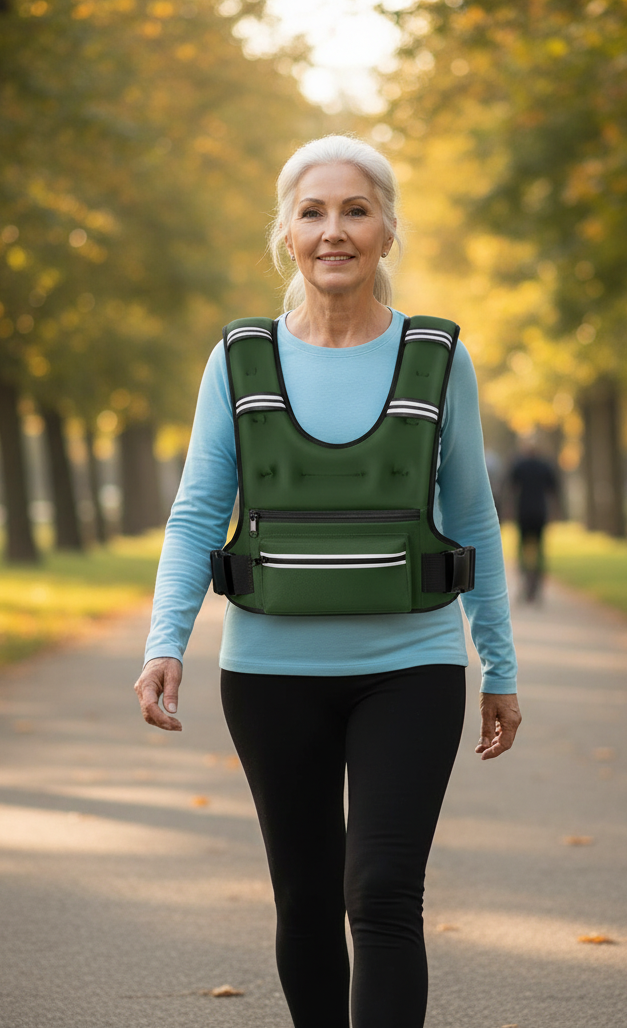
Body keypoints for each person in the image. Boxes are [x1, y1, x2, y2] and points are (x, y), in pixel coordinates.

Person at [134, 134, 521, 1028]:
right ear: (287, 233)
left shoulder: (438, 358)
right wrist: (166, 644)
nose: (334, 230)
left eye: (356, 211)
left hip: (412, 666)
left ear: (388, 232)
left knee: (384, 894)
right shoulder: (239, 359)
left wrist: (497, 665)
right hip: (270, 676)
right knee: (305, 898)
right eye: (313, 212)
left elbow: (473, 517)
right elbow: (197, 513)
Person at [509, 438, 559, 603]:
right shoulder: (544, 466)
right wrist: (553, 513)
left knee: (522, 550)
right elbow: (552, 491)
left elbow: (511, 488)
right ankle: (538, 588)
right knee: (540, 550)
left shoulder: (519, 465)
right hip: (540, 512)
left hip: (523, 513)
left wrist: (509, 511)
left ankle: (524, 585)